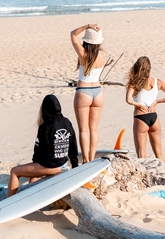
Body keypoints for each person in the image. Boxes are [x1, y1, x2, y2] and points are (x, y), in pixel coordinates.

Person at [7, 94, 80, 197]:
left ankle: (8, 205)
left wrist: (34, 166)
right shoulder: (67, 122)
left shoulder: (45, 126)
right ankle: (31, 197)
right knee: (33, 176)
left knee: (14, 171)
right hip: (64, 165)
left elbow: (38, 151)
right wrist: (75, 165)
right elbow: (73, 144)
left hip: (51, 166)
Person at [125, 56, 165, 161]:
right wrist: (157, 101)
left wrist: (139, 105)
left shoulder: (134, 83)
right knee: (159, 153)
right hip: (154, 117)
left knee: (142, 154)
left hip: (141, 117)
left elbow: (128, 100)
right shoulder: (157, 82)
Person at [70, 23, 106, 163]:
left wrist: (87, 26)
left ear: (86, 41)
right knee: (94, 130)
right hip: (97, 92)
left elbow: (73, 34)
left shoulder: (82, 54)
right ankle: (92, 157)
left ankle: (86, 160)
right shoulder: (103, 55)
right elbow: (101, 44)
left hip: (83, 91)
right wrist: (99, 33)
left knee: (83, 130)